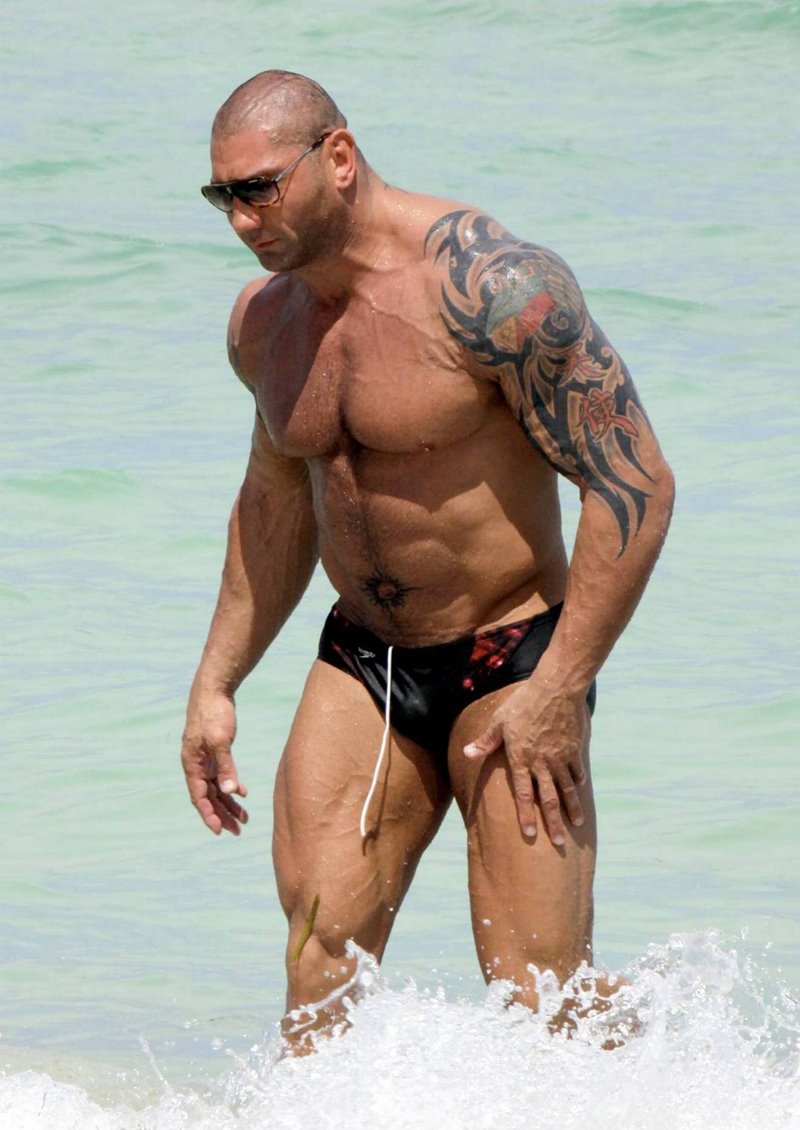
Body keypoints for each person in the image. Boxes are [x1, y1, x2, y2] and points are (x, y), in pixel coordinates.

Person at [181, 69, 675, 1051]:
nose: (240, 219)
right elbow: (274, 505)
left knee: (541, 999)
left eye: (259, 189)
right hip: (364, 655)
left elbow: (634, 485)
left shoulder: (494, 290)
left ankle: (682, 1074)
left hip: (510, 656)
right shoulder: (263, 325)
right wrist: (215, 681)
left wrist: (560, 684)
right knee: (317, 963)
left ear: (337, 157)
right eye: (221, 195)